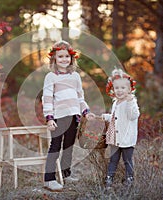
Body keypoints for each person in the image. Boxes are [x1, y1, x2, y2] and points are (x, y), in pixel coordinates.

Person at [42, 40, 95, 191]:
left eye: (67, 56)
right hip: (58, 117)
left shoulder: (75, 76)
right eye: (60, 56)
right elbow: (47, 98)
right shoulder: (51, 77)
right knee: (55, 146)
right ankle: (49, 179)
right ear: (54, 58)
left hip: (73, 116)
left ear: (72, 58)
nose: (64, 59)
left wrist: (86, 111)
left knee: (68, 146)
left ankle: (66, 174)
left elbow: (80, 97)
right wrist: (49, 118)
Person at [101, 68, 140, 189]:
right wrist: (105, 117)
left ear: (129, 89)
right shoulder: (116, 102)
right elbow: (115, 117)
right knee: (113, 160)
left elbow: (133, 115)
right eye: (116, 88)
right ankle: (109, 178)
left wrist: (129, 103)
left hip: (127, 138)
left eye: (123, 88)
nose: (119, 90)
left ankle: (129, 179)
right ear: (113, 89)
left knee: (127, 160)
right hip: (116, 138)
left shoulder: (131, 102)